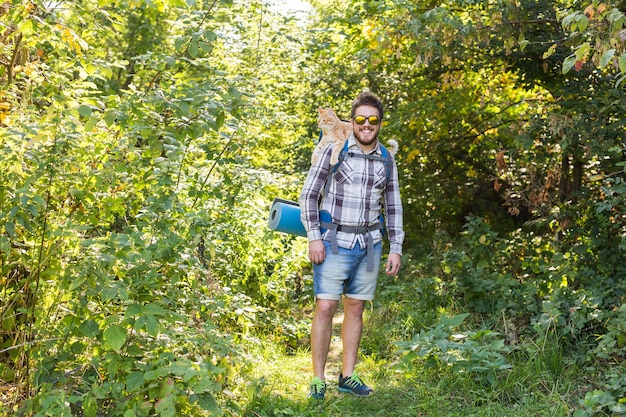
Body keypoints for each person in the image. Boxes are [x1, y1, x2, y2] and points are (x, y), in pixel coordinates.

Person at [299, 91, 404, 400]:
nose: (366, 125)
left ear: (380, 123)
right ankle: (318, 379)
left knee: (355, 309)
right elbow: (309, 195)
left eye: (372, 120)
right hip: (333, 241)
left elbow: (393, 205)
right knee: (326, 307)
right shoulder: (335, 150)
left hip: (370, 244)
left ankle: (347, 376)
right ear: (353, 121)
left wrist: (395, 246)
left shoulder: (387, 158)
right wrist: (314, 236)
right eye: (360, 119)